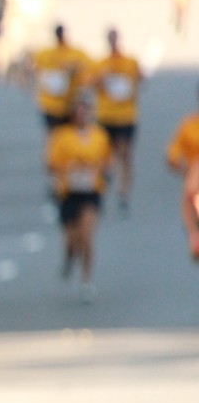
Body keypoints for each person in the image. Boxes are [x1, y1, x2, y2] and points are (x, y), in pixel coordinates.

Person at [46, 90, 112, 302]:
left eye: (85, 111)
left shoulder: (100, 135)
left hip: (91, 191)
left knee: (87, 237)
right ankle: (68, 259)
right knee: (72, 240)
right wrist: (71, 167)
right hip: (69, 192)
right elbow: (51, 163)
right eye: (78, 111)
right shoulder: (61, 136)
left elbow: (107, 161)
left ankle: (86, 280)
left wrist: (99, 171)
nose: (82, 115)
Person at [90, 28, 143, 211]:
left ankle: (123, 193)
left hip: (126, 116)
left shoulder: (130, 62)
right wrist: (102, 77)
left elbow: (140, 79)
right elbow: (91, 84)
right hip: (106, 116)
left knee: (125, 155)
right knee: (105, 157)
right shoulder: (101, 64)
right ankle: (101, 189)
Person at [32, 24, 93, 131]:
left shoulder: (75, 53)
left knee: (70, 133)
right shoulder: (45, 53)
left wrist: (75, 70)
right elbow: (35, 71)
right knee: (55, 134)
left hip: (70, 103)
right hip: (51, 104)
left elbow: (88, 71)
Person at [166, 80, 199, 259]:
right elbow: (173, 153)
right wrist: (181, 166)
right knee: (190, 195)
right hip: (195, 181)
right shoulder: (189, 125)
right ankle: (194, 234)